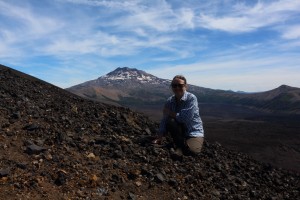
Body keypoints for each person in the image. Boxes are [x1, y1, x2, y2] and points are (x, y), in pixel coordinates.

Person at [153, 75, 204, 156]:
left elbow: (185, 118)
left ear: (185, 86)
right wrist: (160, 135)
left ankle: (183, 144)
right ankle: (178, 145)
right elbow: (165, 119)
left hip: (193, 131)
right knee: (170, 121)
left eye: (180, 85)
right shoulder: (170, 101)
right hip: (179, 131)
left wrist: (170, 112)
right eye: (174, 86)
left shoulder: (191, 98)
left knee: (193, 151)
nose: (177, 88)